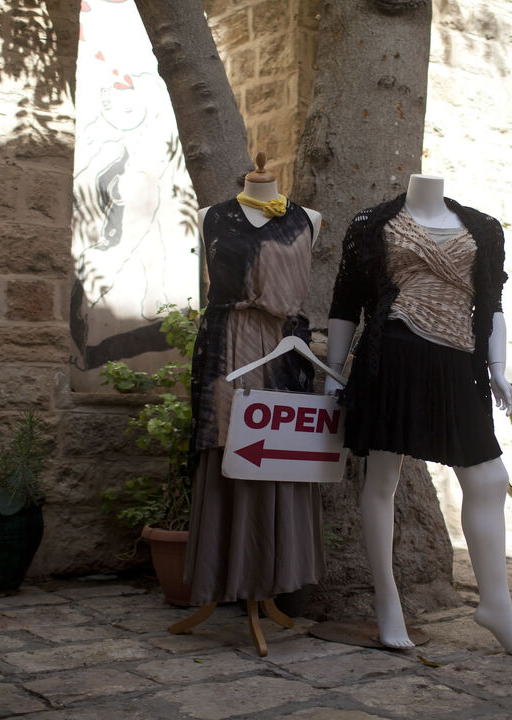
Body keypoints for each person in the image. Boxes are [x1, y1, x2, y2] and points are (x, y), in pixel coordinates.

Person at [325, 174, 512, 656]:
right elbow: (346, 302)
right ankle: (388, 603)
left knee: (487, 478)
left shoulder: (483, 228)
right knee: (382, 479)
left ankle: (496, 604)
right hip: (392, 357)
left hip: (458, 362)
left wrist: (497, 369)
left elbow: (492, 304)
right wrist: (334, 369)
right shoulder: (372, 223)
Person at [183, 155, 326, 607]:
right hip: (227, 344)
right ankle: (225, 577)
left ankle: (272, 577)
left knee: (280, 450)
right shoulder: (211, 216)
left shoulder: (308, 219)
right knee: (230, 447)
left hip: (284, 350)